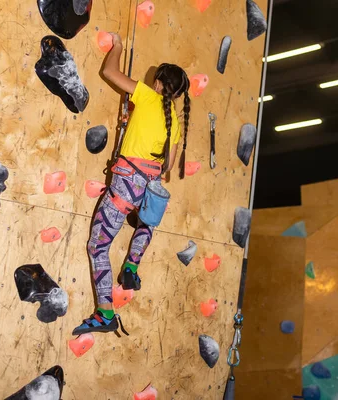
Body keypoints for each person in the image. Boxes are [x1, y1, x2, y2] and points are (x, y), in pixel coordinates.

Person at [72, 33, 191, 335]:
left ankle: (105, 313)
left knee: (97, 246)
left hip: (126, 185)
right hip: (148, 189)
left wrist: (118, 47)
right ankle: (132, 265)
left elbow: (109, 73)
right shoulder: (175, 122)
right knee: (145, 222)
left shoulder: (148, 96)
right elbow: (167, 168)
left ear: (159, 84)